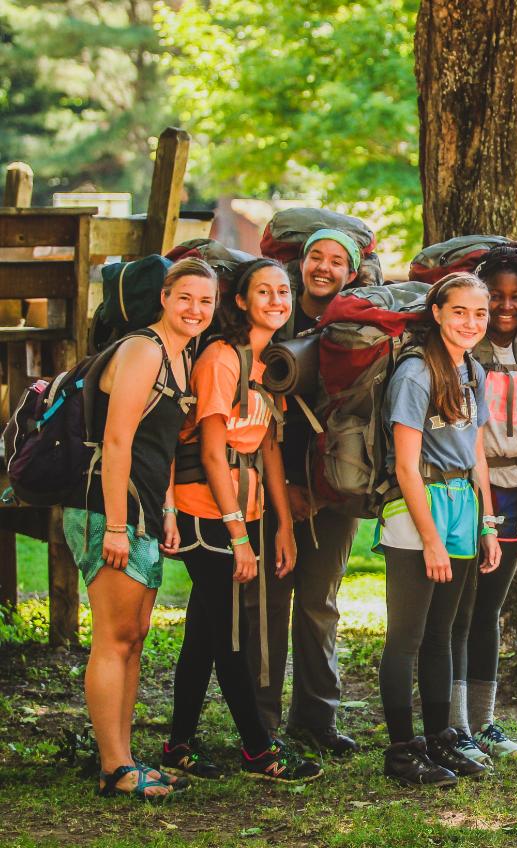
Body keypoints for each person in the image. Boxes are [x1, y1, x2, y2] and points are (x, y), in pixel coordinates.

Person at [160, 258, 322, 783]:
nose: (277, 301)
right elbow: (211, 454)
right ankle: (258, 750)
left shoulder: (270, 362)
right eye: (264, 292)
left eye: (284, 292)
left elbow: (269, 446)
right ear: (240, 301)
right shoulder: (222, 359)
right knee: (232, 631)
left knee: (205, 632)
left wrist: (280, 526)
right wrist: (237, 535)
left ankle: (178, 744)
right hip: (206, 511)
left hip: (245, 508)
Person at [63, 258, 214, 800]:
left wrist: (168, 510)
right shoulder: (143, 349)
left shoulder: (181, 354)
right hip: (109, 512)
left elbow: (162, 447)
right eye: (185, 299)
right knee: (113, 637)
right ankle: (113, 768)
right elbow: (119, 441)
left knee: (133, 638)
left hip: (144, 512)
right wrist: (118, 528)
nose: (195, 310)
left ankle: (124, 757)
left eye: (205, 301)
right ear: (164, 300)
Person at [376, 272, 502, 787]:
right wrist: (429, 537)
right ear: (437, 313)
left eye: (480, 314)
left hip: (462, 504)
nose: (471, 322)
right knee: (406, 637)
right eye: (460, 312)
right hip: (418, 506)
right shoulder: (415, 373)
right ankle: (402, 752)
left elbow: (476, 451)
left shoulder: (471, 368)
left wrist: (489, 523)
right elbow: (406, 466)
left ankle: (438, 740)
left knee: (443, 634)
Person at [243, 228, 362, 754]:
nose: (324, 267)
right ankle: (261, 724)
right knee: (268, 603)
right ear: (301, 263)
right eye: (316, 256)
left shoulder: (358, 329)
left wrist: (324, 490)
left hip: (335, 488)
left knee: (320, 603)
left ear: (351, 273)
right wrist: (285, 489)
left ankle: (317, 719)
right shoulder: (273, 319)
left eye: (337, 261)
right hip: (271, 486)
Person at [447, 245, 517, 764]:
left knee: (489, 610)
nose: (507, 306)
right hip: (464, 493)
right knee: (459, 611)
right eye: (496, 297)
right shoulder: (463, 349)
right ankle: (454, 722)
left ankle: (482, 721)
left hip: (513, 493)